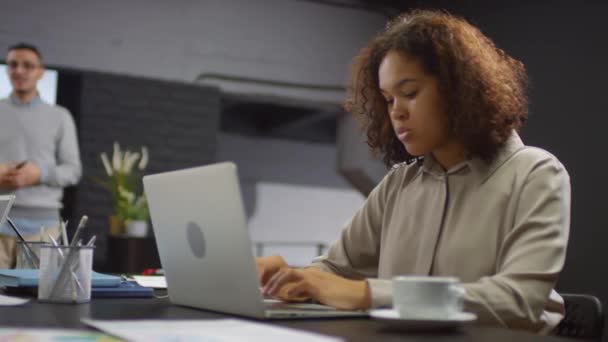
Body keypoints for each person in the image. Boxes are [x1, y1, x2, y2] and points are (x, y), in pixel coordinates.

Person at [256, 9, 570, 333]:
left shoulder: (536, 174)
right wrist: (289, 277)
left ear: (458, 89)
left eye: (409, 93)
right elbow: (336, 270)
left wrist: (367, 293)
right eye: (388, 99)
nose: (397, 112)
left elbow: (518, 301)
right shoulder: (398, 184)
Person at [0, 43, 82, 268]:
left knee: (38, 301)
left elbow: (73, 171)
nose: (19, 70)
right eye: (13, 64)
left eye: (28, 65)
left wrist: (40, 173)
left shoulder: (60, 117)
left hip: (44, 231)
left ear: (40, 72)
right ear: (7, 70)